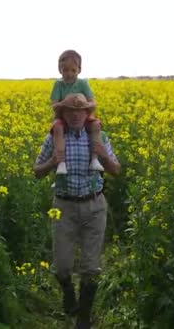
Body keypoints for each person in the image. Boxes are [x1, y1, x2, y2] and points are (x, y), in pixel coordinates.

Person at [33, 93, 121, 329]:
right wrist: (52, 162)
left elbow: (116, 169)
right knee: (62, 266)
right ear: (63, 113)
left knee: (91, 267)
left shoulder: (99, 136)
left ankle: (83, 318)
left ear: (87, 113)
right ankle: (68, 293)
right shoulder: (54, 138)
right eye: (70, 111)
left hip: (94, 206)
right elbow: (37, 171)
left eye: (79, 111)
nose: (75, 115)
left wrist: (102, 153)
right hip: (64, 207)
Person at [50, 50, 105, 175]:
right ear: (60, 70)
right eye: (66, 70)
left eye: (73, 70)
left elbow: (93, 104)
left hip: (82, 117)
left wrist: (84, 105)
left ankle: (95, 159)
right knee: (57, 128)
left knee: (96, 125)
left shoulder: (83, 83)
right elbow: (54, 106)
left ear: (79, 70)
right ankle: (61, 163)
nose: (69, 74)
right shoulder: (58, 84)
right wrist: (65, 103)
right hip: (62, 117)